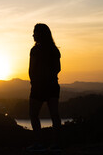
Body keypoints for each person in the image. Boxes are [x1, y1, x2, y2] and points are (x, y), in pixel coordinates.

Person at [27, 23, 61, 152]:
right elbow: (58, 68)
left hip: (39, 87)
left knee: (33, 115)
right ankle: (56, 144)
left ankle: (38, 143)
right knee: (54, 115)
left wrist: (34, 82)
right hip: (52, 85)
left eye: (35, 32)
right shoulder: (54, 50)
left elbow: (31, 69)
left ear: (40, 34)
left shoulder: (35, 50)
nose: (33, 35)